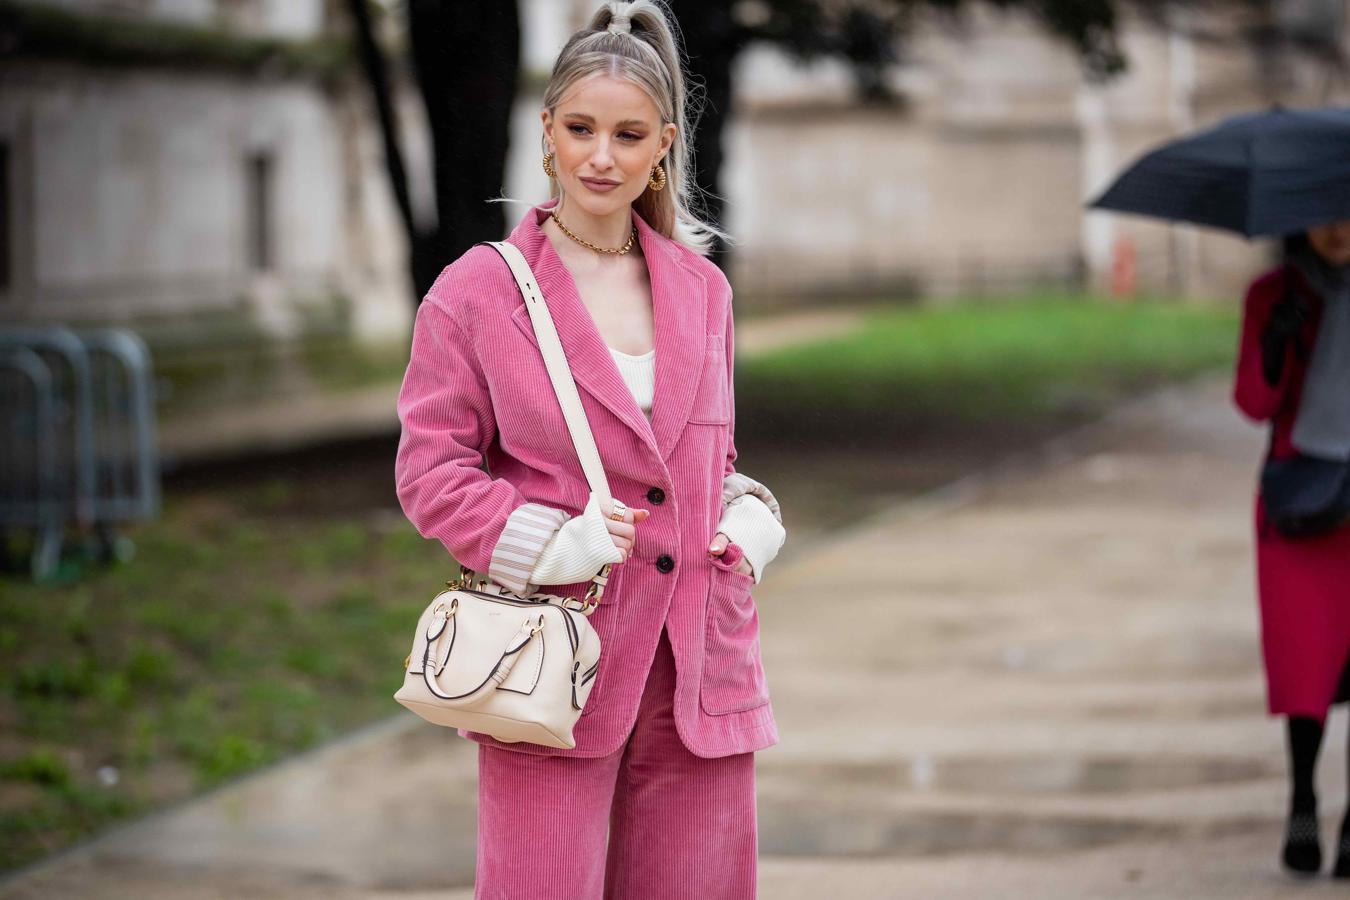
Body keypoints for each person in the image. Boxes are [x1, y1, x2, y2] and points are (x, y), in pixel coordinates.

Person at [393, 2, 787, 896]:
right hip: (551, 667)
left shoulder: (703, 290)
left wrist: (749, 515)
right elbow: (429, 472)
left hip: (700, 666)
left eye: (627, 133)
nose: (601, 156)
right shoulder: (479, 292)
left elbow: (702, 465)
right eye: (580, 128)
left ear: (664, 144)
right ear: (547, 132)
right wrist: (545, 541)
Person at [1233, 219, 1350, 880]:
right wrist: (1275, 349)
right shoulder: (1273, 295)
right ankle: (1302, 802)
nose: (1339, 230)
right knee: (1306, 668)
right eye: (1326, 216)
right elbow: (1252, 401)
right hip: (1302, 503)